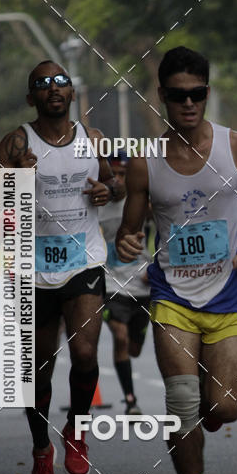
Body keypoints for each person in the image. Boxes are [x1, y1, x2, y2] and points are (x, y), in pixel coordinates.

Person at [116, 46, 237, 474]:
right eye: (178, 96)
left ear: (208, 94)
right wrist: (128, 240)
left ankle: (211, 409)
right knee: (181, 404)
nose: (188, 104)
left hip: (229, 298)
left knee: (227, 408)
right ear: (162, 98)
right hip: (171, 298)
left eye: (196, 95)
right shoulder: (145, 163)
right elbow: (130, 230)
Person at [0, 60, 124, 474]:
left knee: (84, 352)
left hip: (84, 260)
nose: (53, 88)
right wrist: (12, 173)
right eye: (42, 84)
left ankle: (76, 429)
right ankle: (42, 450)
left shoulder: (93, 140)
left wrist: (108, 190)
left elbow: (117, 185)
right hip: (31, 266)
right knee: (37, 369)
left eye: (60, 82)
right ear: (31, 98)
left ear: (72, 93)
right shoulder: (16, 142)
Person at [98, 154, 151, 414]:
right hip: (111, 283)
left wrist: (156, 268)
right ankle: (130, 400)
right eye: (113, 175)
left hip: (143, 285)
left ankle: (129, 388)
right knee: (119, 337)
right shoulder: (95, 206)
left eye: (122, 175)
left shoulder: (144, 204)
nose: (117, 181)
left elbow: (169, 231)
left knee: (135, 349)